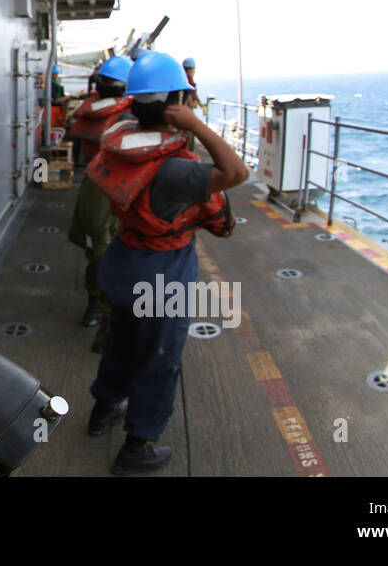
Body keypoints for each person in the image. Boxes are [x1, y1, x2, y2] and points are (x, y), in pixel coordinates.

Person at [82, 51, 248, 475]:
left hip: (122, 264)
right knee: (159, 358)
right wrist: (195, 125)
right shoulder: (176, 171)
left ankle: (103, 410)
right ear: (176, 101)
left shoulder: (122, 139)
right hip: (161, 275)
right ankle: (138, 446)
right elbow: (236, 172)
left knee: (121, 341)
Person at [66, 55, 133, 350]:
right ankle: (106, 318)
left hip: (93, 189)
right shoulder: (127, 118)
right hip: (114, 192)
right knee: (110, 255)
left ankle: (96, 305)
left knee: (96, 251)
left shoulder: (90, 111)